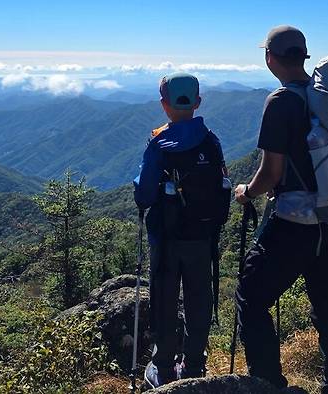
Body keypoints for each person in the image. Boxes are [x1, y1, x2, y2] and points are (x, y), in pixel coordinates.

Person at [234, 26, 328, 394]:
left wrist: (245, 193)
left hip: (294, 224)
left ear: (270, 57)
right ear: (303, 56)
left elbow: (271, 173)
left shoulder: (281, 101)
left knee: (251, 300)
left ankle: (269, 385)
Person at [134, 72, 229, 388]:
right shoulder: (211, 140)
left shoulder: (160, 142)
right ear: (198, 102)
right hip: (202, 237)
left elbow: (145, 194)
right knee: (198, 299)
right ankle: (193, 365)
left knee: (164, 298)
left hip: (166, 237)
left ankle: (163, 367)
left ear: (164, 104)